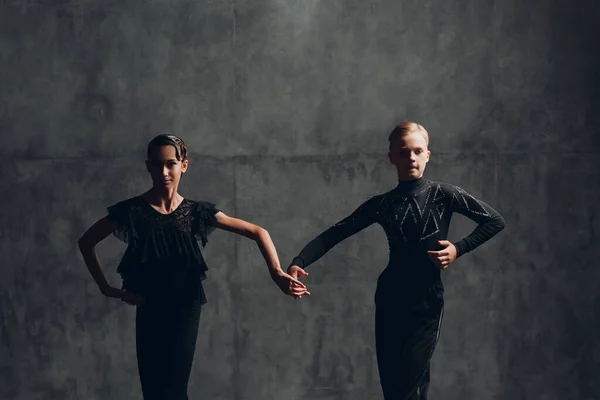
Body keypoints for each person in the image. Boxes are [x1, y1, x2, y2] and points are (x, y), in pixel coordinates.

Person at [77, 134, 310, 400]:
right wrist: (108, 289)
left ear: (183, 165)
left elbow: (259, 231)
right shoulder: (132, 211)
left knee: (175, 390)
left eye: (171, 164)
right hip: (149, 306)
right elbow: (86, 242)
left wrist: (277, 273)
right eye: (156, 164)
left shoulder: (195, 212)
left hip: (185, 308)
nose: (164, 172)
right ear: (148, 166)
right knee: (154, 392)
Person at [287, 122, 505, 399]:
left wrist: (459, 248)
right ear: (392, 157)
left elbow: (495, 221)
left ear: (428, 155)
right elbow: (335, 233)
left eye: (417, 151)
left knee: (409, 385)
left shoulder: (444, 194)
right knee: (396, 388)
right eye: (404, 152)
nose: (411, 158)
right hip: (391, 298)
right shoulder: (383, 204)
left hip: (425, 301)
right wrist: (299, 261)